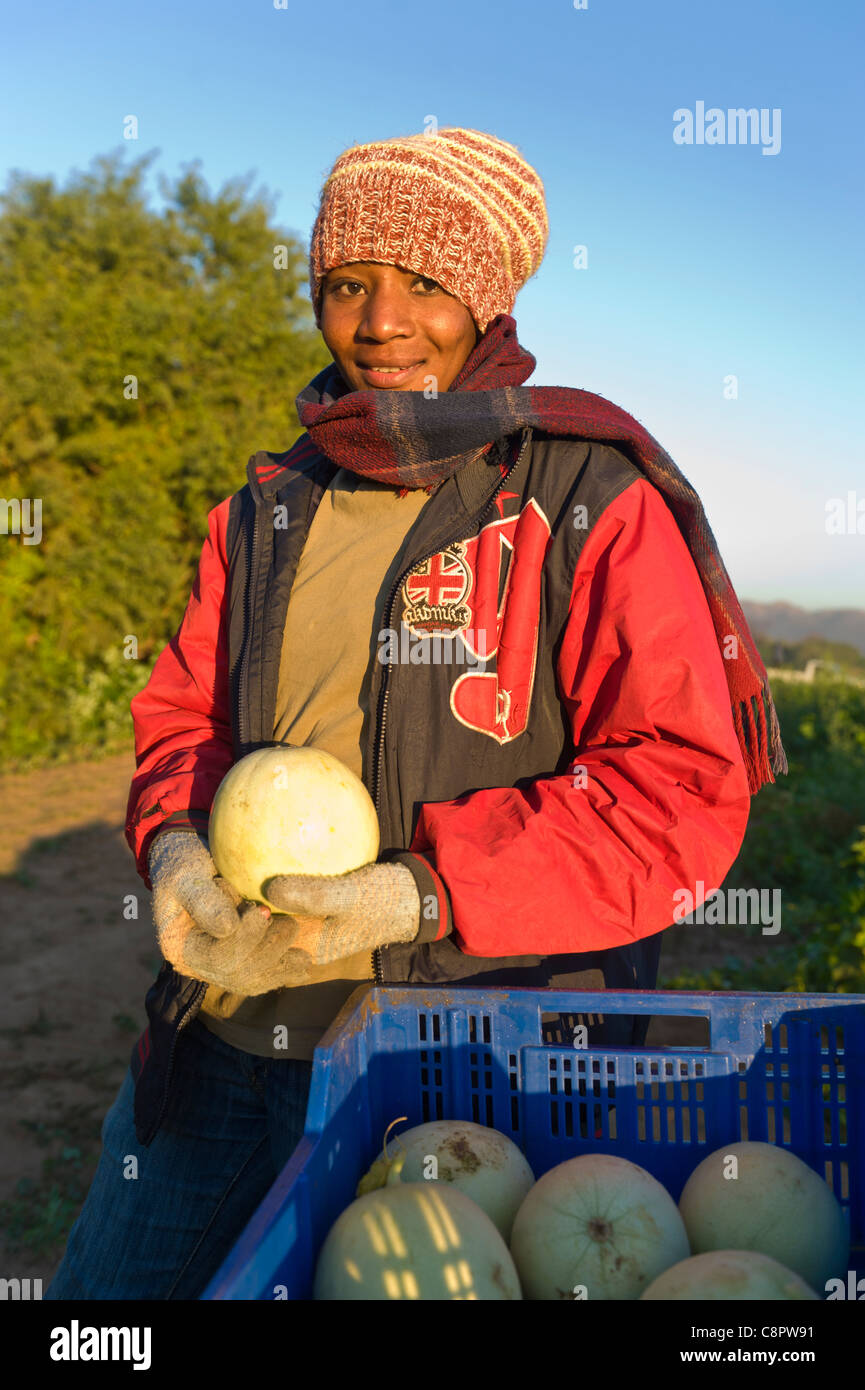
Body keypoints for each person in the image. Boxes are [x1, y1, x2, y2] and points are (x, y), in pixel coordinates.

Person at [45, 127, 786, 1301]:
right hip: (232, 1048)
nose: (380, 323)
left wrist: (420, 893)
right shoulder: (266, 508)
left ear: (484, 300)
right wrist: (179, 844)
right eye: (348, 285)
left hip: (479, 1068)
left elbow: (679, 792)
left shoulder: (586, 496)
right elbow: (182, 717)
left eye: (425, 284)